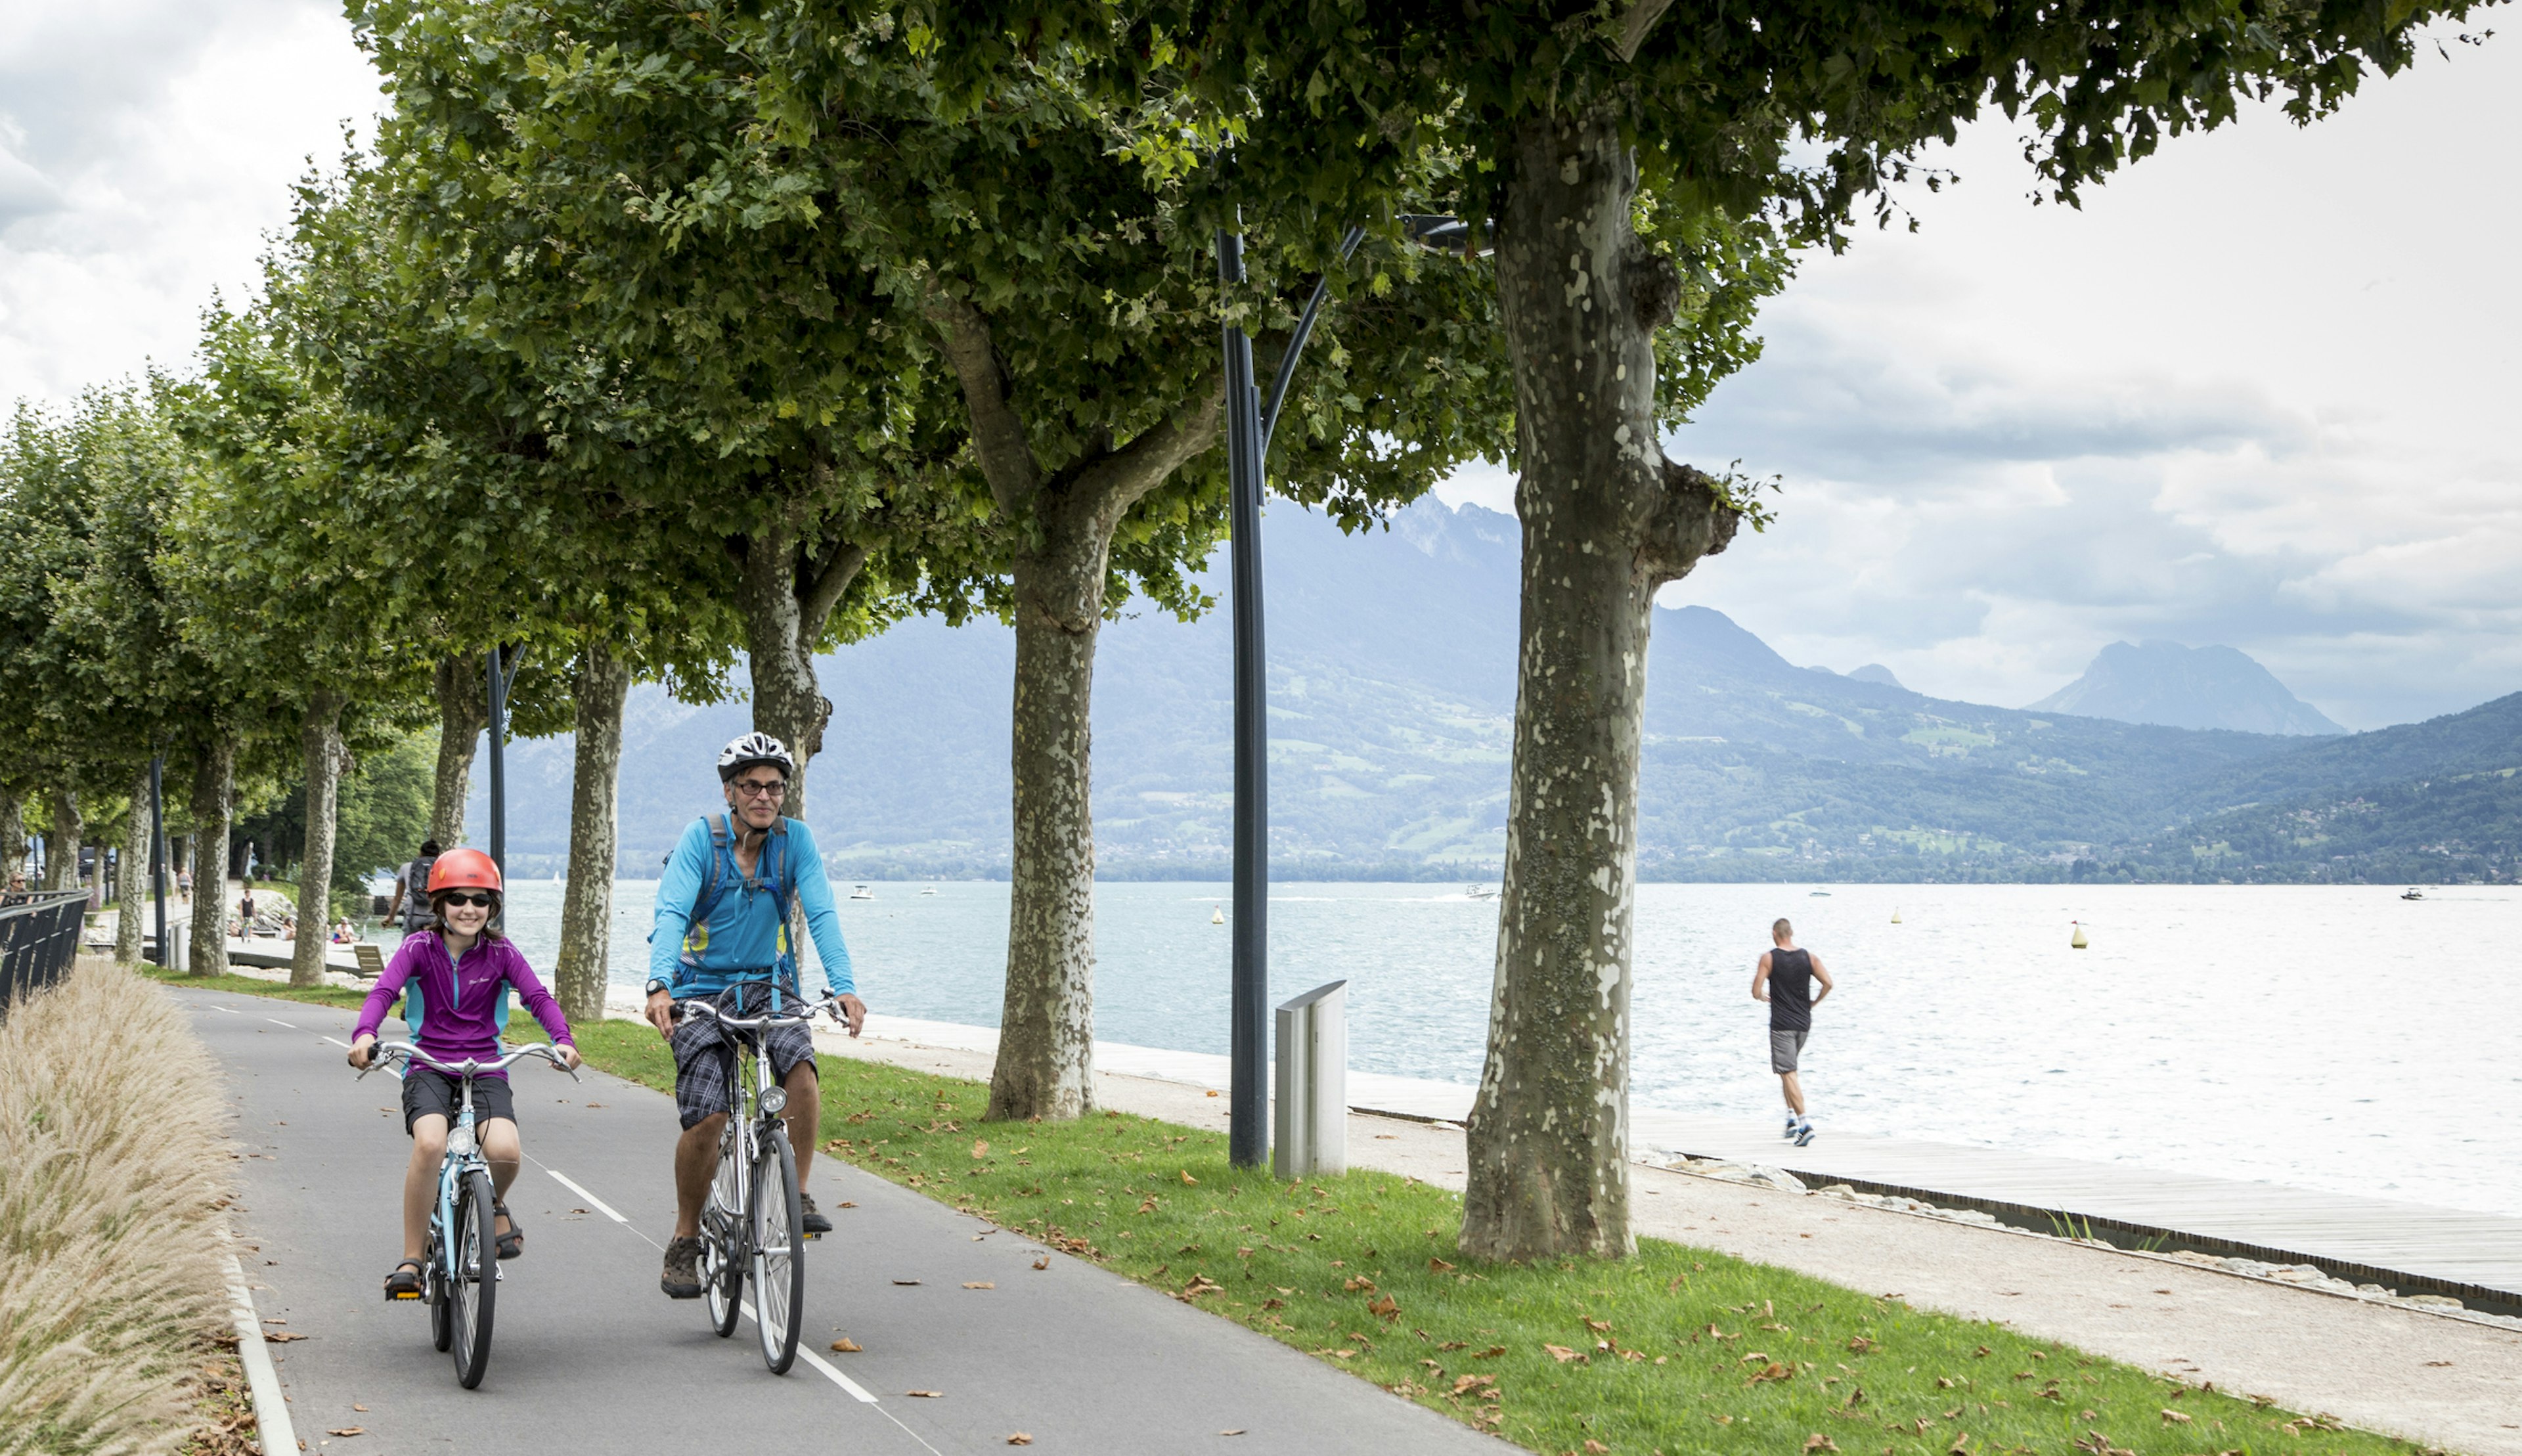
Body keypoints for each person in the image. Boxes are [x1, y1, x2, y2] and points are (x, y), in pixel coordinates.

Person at [645, 732, 867, 1300]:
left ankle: (798, 1193)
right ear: (730, 791)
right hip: (698, 991)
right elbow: (671, 912)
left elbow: (821, 911)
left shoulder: (796, 843)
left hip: (767, 987)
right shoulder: (702, 840)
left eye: (775, 786)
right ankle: (686, 1237)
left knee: (803, 1073)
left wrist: (843, 987)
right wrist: (660, 984)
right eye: (752, 786)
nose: (764, 796)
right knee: (710, 1117)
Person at [346, 849, 579, 1299]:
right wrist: (364, 1034)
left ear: (493, 906)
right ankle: (412, 1257)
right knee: (431, 1142)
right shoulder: (418, 948)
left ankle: (491, 1202)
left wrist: (563, 1039)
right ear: (438, 905)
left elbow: (538, 997)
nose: (469, 908)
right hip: (428, 1064)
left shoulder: (501, 951)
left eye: (480, 899)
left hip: (486, 1067)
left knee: (506, 1151)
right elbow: (383, 991)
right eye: (457, 898)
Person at [1752, 917, 1833, 1147]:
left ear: (1774, 934)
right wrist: (1813, 1003)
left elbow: (1756, 990)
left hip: (1782, 1024)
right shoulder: (1809, 957)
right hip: (1803, 1024)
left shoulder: (1769, 958)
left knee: (1788, 1073)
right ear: (1792, 933)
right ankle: (1791, 1119)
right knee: (1789, 1071)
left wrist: (1762, 997)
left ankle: (1804, 1124)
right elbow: (1828, 983)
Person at [380, 839, 442, 935]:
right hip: (436, 916)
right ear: (439, 855)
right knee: (437, 947)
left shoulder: (407, 867)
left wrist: (391, 917)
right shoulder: (442, 868)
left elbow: (398, 898)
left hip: (413, 916)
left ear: (420, 853)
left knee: (410, 947)